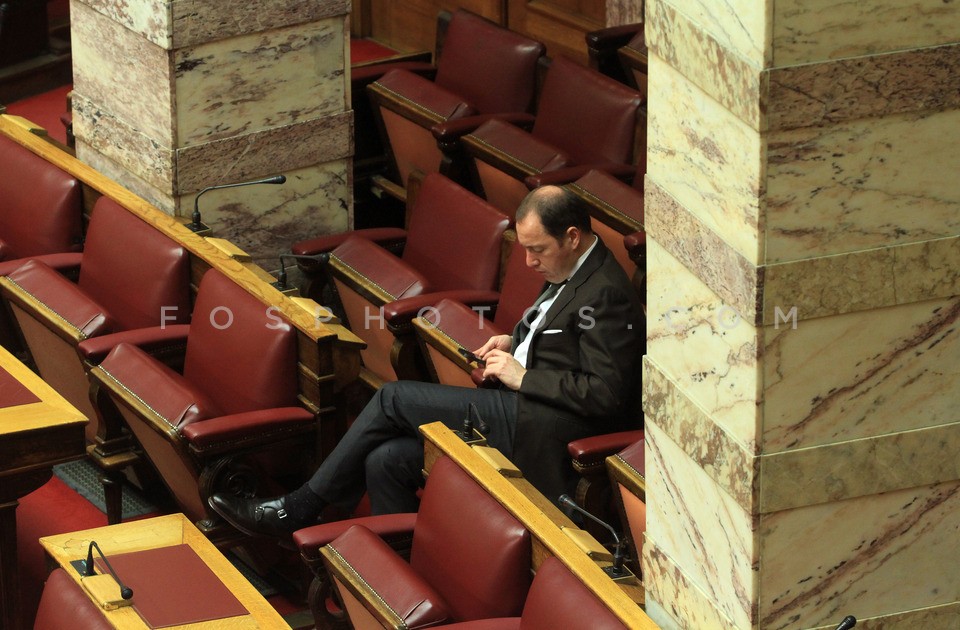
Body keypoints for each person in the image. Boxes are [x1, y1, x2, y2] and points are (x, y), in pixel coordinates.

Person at [208, 184, 644, 538]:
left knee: (392, 400)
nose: (528, 261)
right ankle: (394, 575)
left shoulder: (605, 291)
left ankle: (298, 508)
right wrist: (518, 341)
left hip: (544, 425)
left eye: (538, 250)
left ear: (572, 236)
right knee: (388, 459)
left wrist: (524, 376)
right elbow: (564, 332)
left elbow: (606, 394)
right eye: (525, 249)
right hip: (525, 405)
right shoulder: (571, 265)